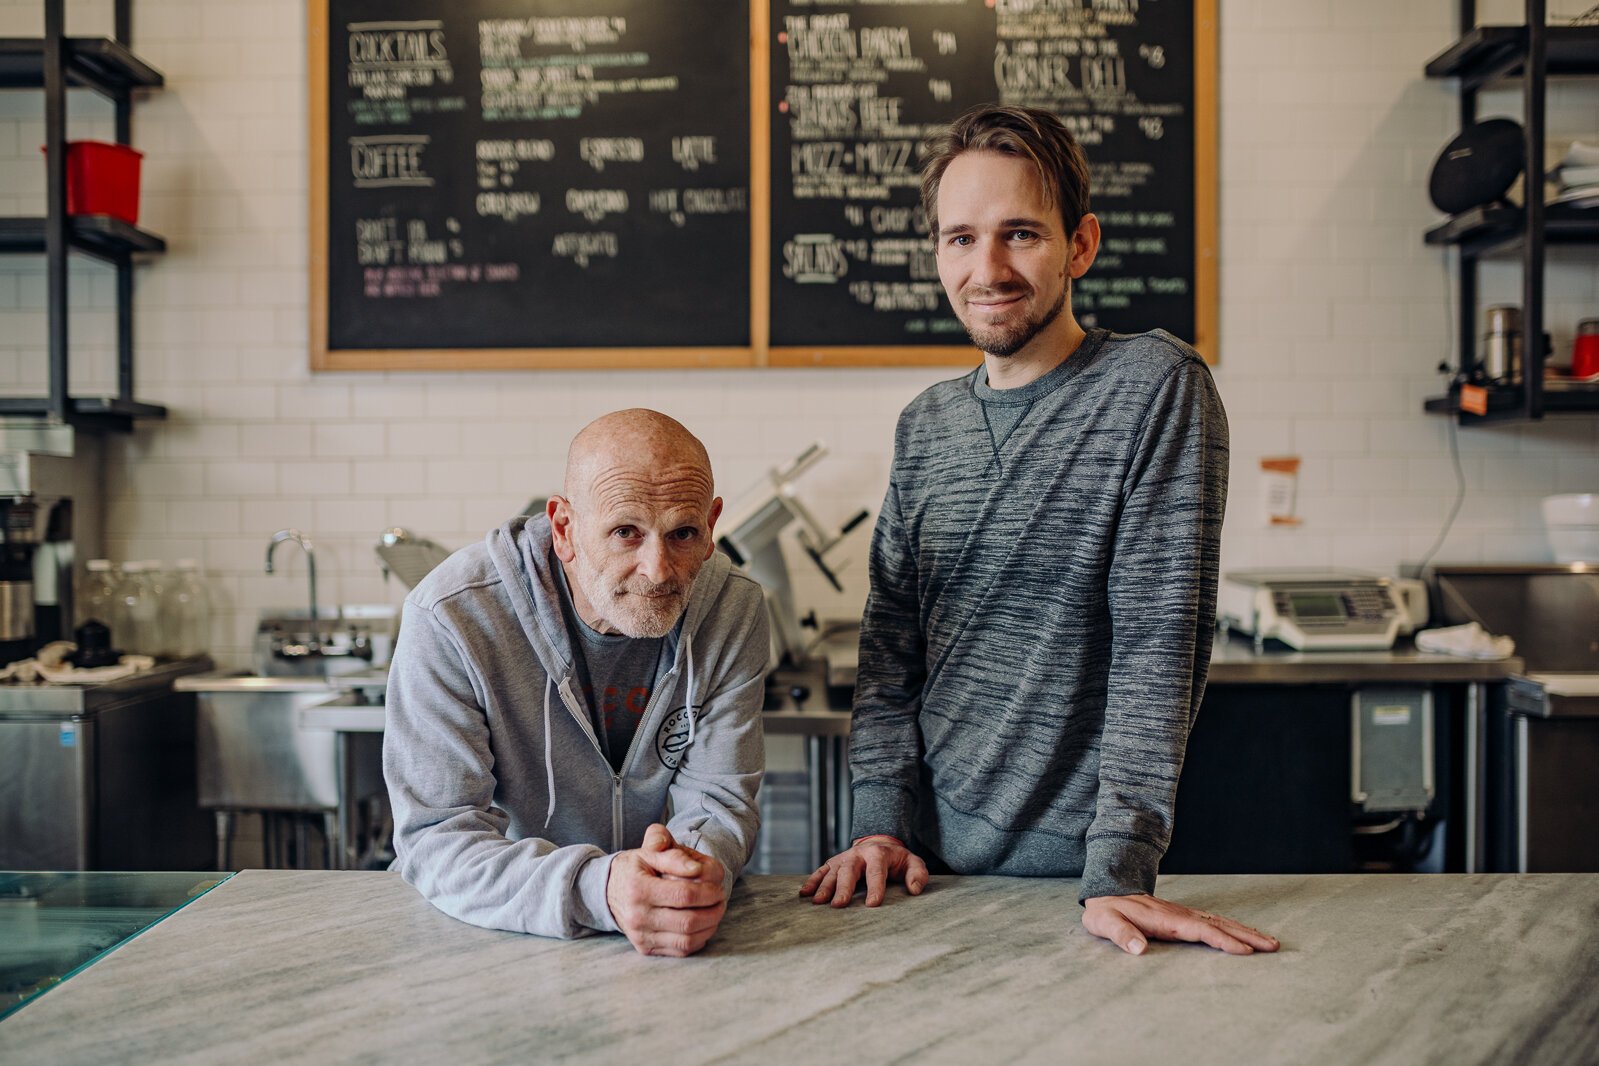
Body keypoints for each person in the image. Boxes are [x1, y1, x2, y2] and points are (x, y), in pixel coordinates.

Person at [800, 104, 1278, 957]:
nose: (986, 267)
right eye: (959, 238)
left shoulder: (1154, 387)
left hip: (1081, 886)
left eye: (1019, 233)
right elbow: (890, 655)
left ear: (1079, 246)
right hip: (918, 874)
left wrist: (1118, 873)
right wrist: (876, 826)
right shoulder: (927, 424)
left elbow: (1155, 648)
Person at [385, 409, 769, 957]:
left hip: (657, 944)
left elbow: (718, 797)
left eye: (683, 533)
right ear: (565, 528)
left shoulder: (733, 609)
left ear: (711, 526)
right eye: (624, 533)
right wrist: (602, 888)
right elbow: (437, 837)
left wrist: (684, 878)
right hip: (492, 930)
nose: (658, 569)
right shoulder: (452, 617)